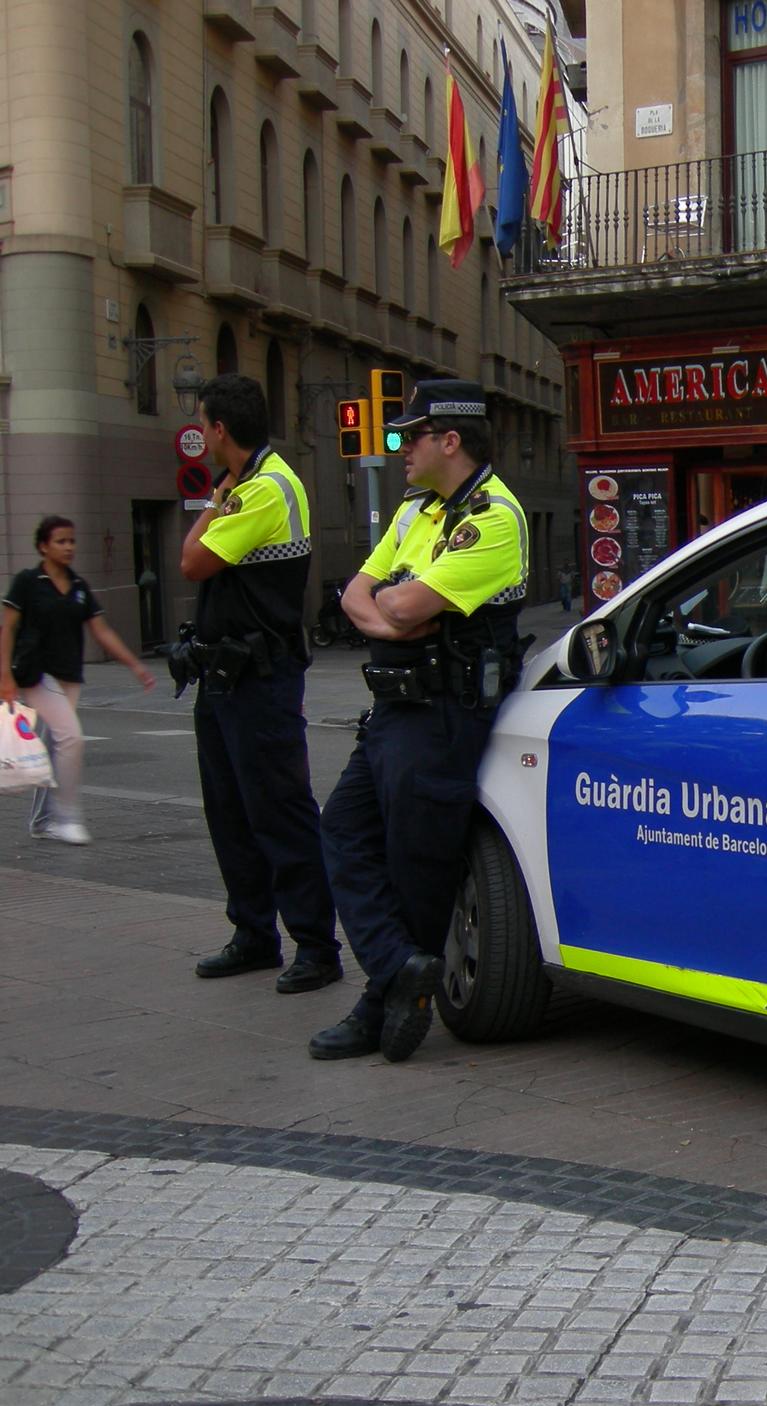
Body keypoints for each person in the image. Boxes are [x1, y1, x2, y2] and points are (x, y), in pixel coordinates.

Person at [310, 379, 531, 1063]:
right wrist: (394, 610)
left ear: (451, 440)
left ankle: (386, 998)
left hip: (442, 715)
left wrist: (395, 611)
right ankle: (396, 969)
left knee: (416, 865)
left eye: (411, 436)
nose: (399, 448)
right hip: (392, 708)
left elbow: (400, 610)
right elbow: (356, 595)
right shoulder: (415, 509)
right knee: (342, 829)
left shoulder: (494, 518)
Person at [180, 374, 344, 995]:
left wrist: (215, 501)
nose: (199, 435)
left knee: (279, 810)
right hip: (223, 675)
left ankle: (315, 945)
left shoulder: (266, 489)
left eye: (203, 425)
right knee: (229, 811)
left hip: (260, 678)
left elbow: (191, 560)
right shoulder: (246, 485)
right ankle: (253, 933)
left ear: (220, 430)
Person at [1, 515, 156, 842]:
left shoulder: (79, 588)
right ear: (43, 546)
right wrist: (5, 676)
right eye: (60, 541)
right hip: (36, 674)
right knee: (71, 737)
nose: (69, 547)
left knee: (54, 745)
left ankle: (42, 820)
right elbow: (9, 628)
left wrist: (134, 665)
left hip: (69, 676)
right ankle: (67, 818)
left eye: (71, 541)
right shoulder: (28, 582)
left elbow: (101, 631)